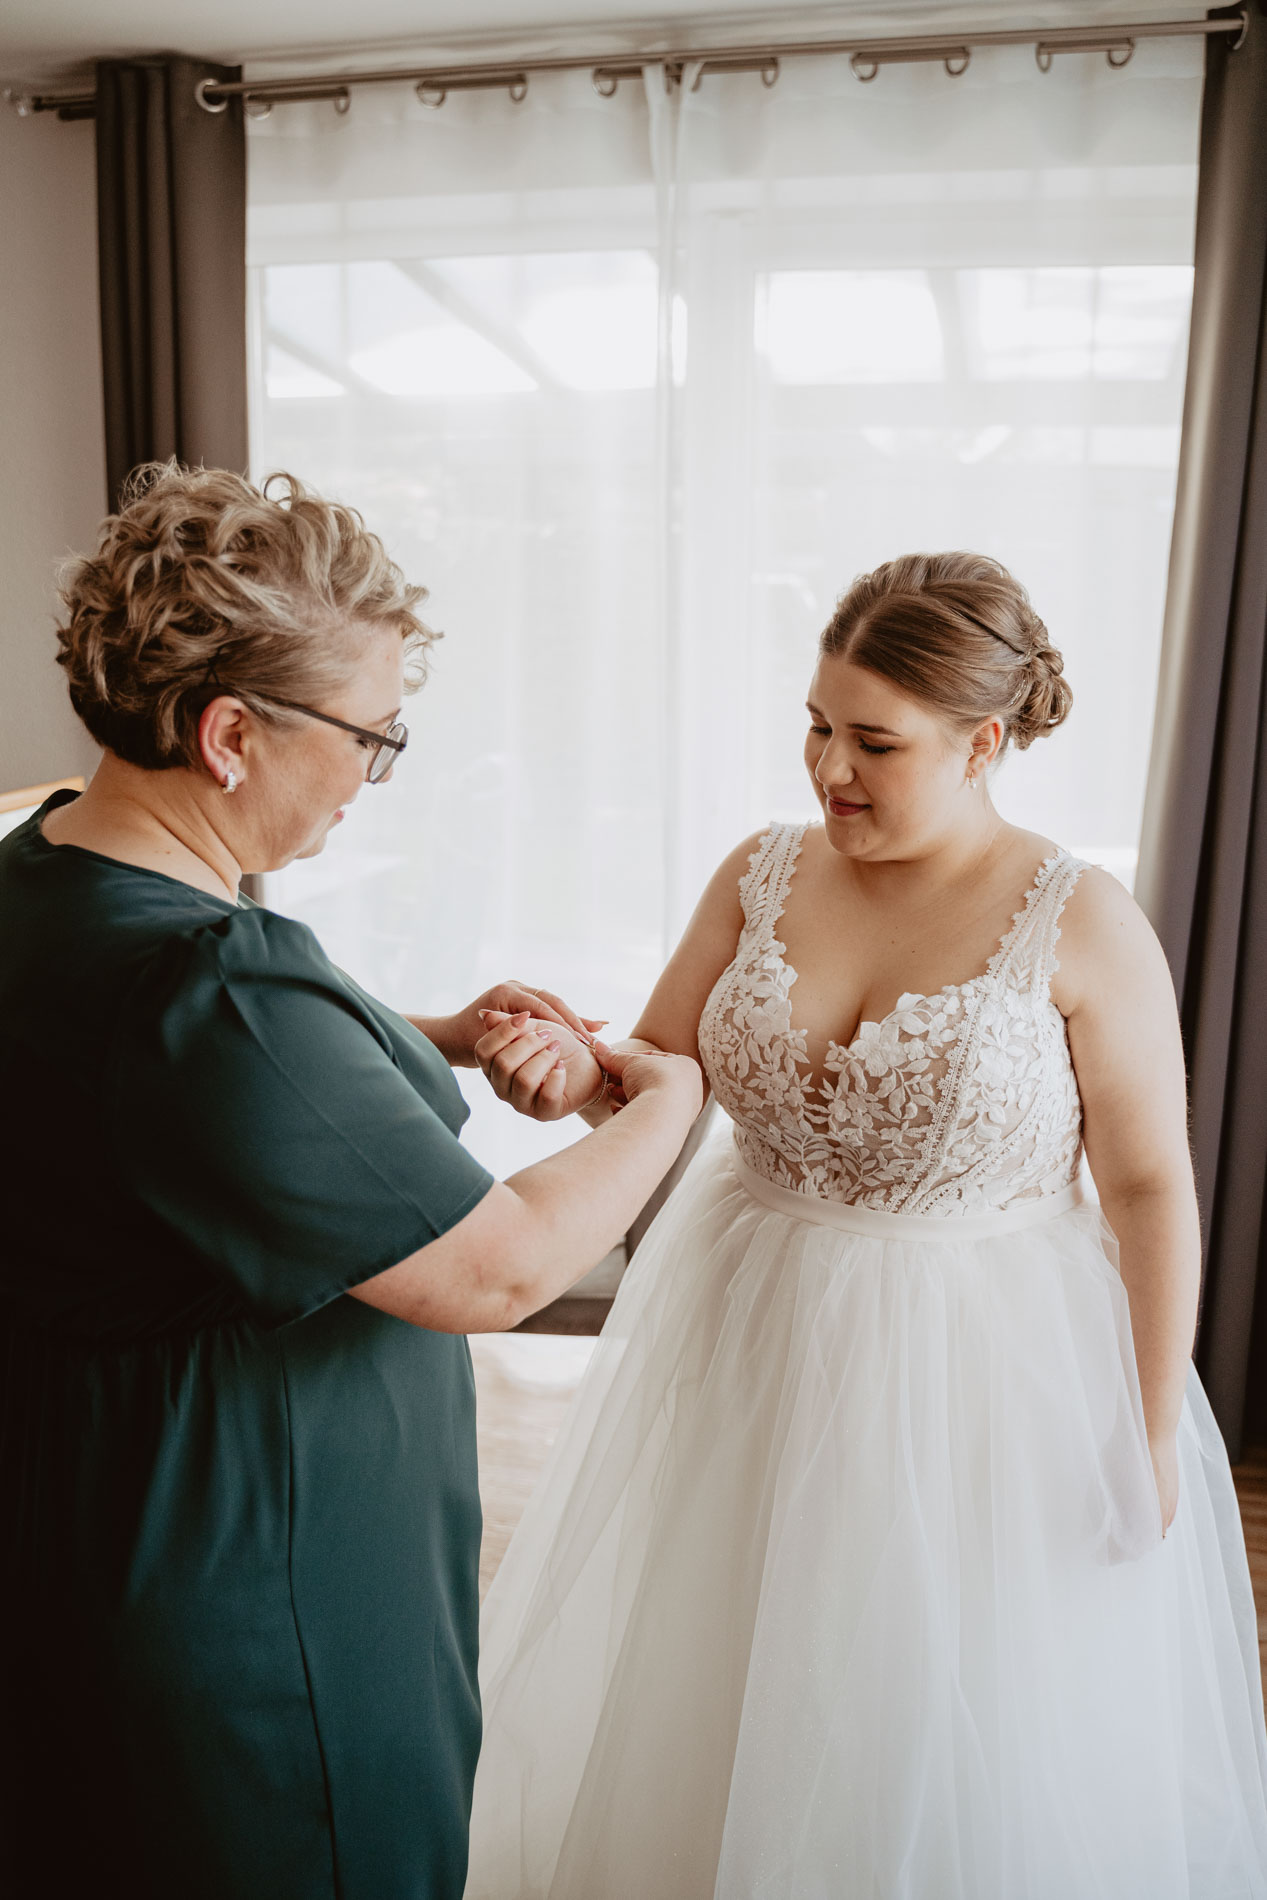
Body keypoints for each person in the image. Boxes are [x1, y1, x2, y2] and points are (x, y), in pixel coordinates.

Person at [465, 551, 1267, 1899]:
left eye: (873, 742)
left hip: (984, 1363)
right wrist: (557, 1066)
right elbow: (658, 1069)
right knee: (723, 1660)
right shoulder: (760, 872)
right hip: (749, 1320)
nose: (830, 770)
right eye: (818, 726)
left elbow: (1148, 1188)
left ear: (984, 742)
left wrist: (1140, 1428)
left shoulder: (1083, 921)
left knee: (939, 1695)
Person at [0, 462, 702, 1900]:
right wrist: (668, 1106)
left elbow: (190, 1105)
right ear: (232, 734)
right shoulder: (206, 990)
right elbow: (497, 1270)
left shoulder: (44, 878)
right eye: (372, 739)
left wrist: (421, 1035)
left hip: (86, 1532)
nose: (375, 777)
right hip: (260, 1594)